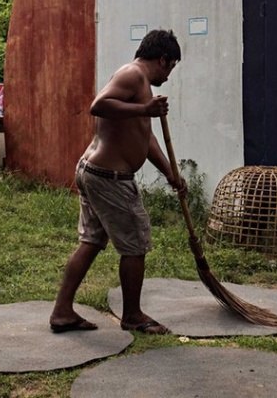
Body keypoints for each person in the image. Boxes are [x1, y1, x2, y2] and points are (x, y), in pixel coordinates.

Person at [49, 29, 186, 335]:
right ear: (163, 59)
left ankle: (62, 312)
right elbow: (98, 105)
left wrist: (170, 174)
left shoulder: (141, 84)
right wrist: (145, 109)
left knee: (91, 241)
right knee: (135, 245)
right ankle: (133, 315)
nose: (169, 74)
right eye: (172, 67)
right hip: (109, 178)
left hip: (96, 173)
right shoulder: (133, 75)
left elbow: (145, 136)